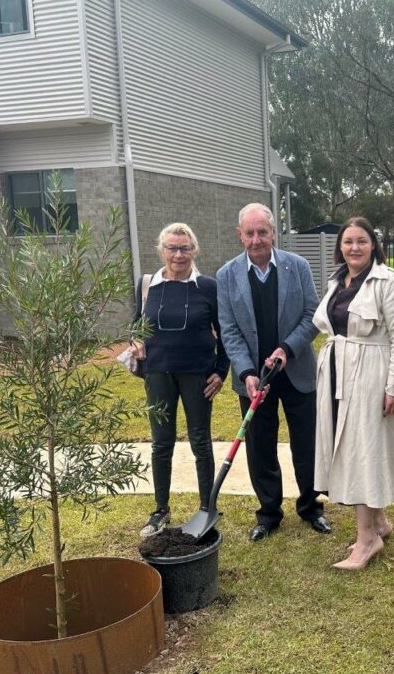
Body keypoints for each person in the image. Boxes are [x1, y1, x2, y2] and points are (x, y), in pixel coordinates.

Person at [216, 203, 331, 541]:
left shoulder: (298, 267)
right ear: (240, 235)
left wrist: (287, 348)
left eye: (262, 232)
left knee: (306, 444)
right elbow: (229, 330)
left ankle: (312, 507)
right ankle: (268, 513)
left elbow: (313, 314)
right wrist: (246, 372)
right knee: (260, 445)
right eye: (249, 233)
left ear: (273, 233)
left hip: (296, 369)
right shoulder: (226, 275)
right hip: (255, 380)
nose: (256, 239)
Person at [313, 217, 394, 570]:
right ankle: (379, 521)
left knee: (362, 450)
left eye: (362, 241)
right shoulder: (338, 281)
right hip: (338, 370)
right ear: (340, 245)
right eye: (348, 241)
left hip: (371, 372)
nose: (354, 247)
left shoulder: (389, 281)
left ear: (373, 244)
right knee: (350, 447)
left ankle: (367, 540)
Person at [133, 223, 229, 538]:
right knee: (161, 443)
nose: (178, 254)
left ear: (194, 251)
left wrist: (221, 369)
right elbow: (137, 324)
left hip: (197, 374)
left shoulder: (207, 287)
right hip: (158, 373)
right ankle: (160, 510)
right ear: (162, 250)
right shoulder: (148, 284)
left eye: (185, 248)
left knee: (201, 441)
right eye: (172, 248)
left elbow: (224, 331)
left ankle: (206, 506)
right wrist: (135, 340)